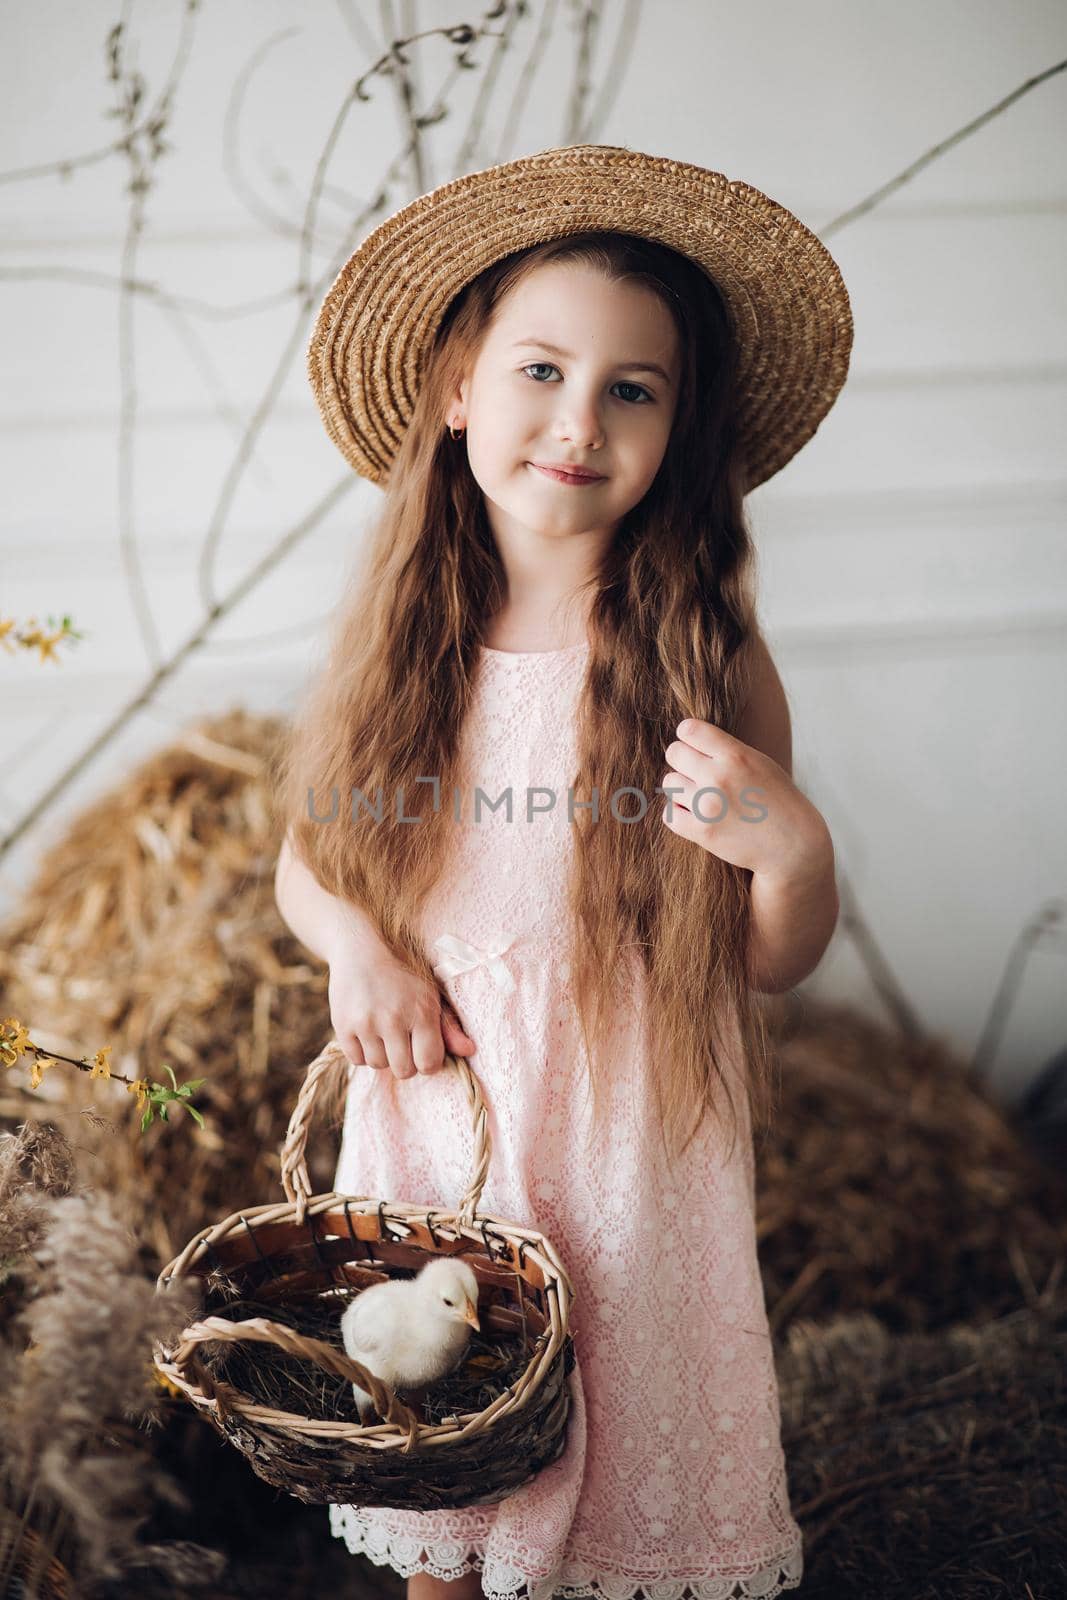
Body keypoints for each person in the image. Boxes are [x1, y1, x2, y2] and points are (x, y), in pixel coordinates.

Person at [272, 143, 851, 1600]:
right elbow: (309, 860)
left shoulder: (704, 663)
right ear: (460, 387)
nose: (576, 421)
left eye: (630, 390)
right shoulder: (407, 653)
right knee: (449, 1473)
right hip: (442, 1122)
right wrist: (359, 947)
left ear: (677, 430)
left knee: (625, 1499)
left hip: (630, 1138)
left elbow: (771, 956)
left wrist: (791, 848)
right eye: (540, 370)